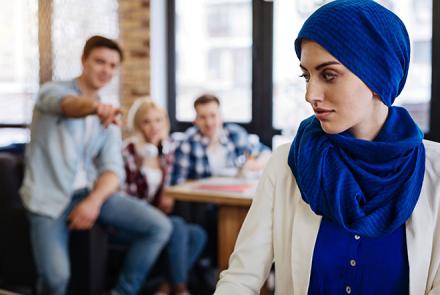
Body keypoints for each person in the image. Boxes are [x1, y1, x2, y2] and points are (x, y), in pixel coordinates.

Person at [215, 1, 440, 294]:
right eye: (306, 76)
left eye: (329, 75)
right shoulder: (287, 164)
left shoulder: (434, 171)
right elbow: (241, 279)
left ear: (377, 75)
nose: (310, 94)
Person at [20, 35, 172, 295]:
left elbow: (113, 169)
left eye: (113, 65)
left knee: (159, 227)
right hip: (48, 198)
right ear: (84, 61)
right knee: (56, 279)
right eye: (100, 62)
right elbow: (68, 106)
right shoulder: (52, 91)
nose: (107, 70)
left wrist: (94, 201)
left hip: (89, 193)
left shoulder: (109, 114)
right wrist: (94, 108)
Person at [169, 94, 270, 272]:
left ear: (220, 116)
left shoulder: (235, 134)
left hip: (233, 199)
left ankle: (241, 270)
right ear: (195, 120)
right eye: (203, 117)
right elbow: (177, 183)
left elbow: (265, 152)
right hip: (201, 205)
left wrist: (254, 163)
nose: (209, 122)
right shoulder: (187, 142)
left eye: (213, 116)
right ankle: (217, 269)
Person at [123, 97, 207, 295]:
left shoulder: (168, 150)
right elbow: (127, 197)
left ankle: (165, 288)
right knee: (177, 226)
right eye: (147, 121)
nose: (154, 127)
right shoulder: (130, 151)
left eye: (158, 120)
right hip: (133, 218)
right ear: (137, 125)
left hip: (159, 216)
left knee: (197, 234)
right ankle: (180, 289)